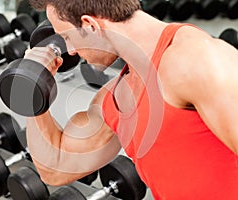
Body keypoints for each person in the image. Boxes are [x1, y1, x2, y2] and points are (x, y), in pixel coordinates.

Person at [25, 0, 238, 199]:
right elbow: (55, 168)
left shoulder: (196, 59)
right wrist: (32, 85)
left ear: (90, 25)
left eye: (68, 38)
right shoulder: (117, 96)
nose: (70, 51)